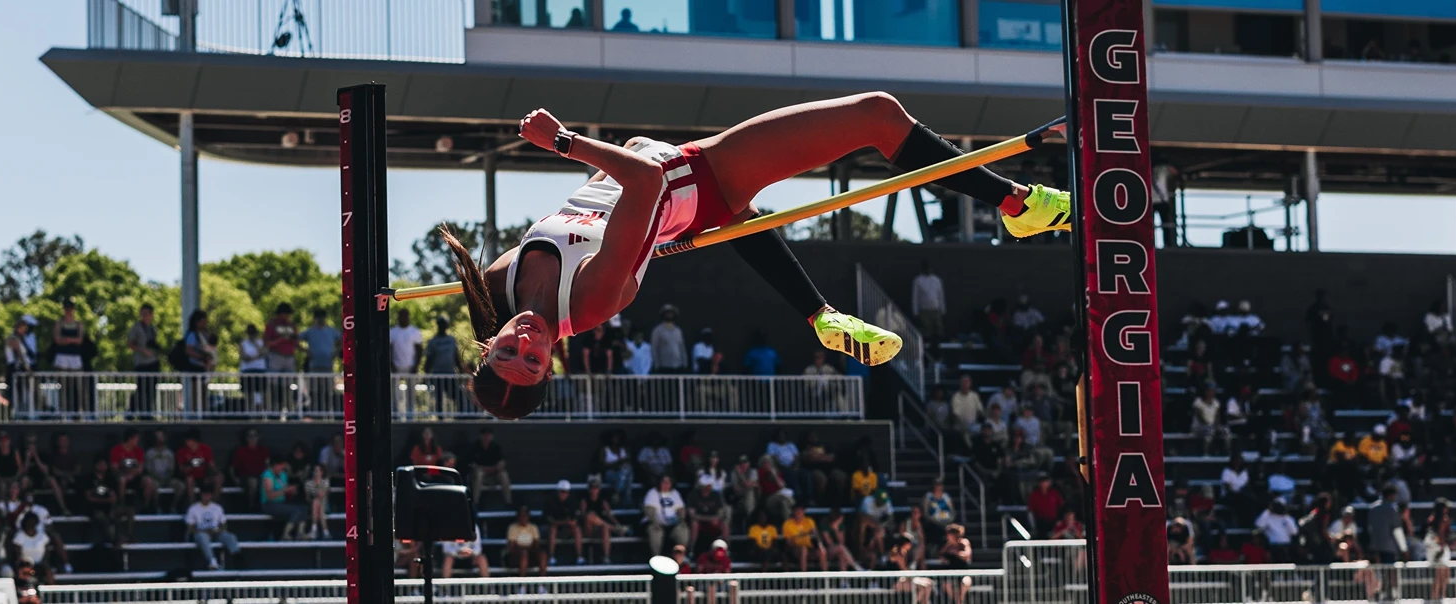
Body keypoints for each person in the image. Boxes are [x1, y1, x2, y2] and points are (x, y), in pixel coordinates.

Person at [442, 94, 1070, 419]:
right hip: (696, 179)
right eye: (533, 360)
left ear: (489, 343)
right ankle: (1014, 205)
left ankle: (820, 316)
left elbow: (609, 207)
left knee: (746, 220)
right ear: (552, 366)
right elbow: (645, 186)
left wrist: (654, 231)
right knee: (878, 117)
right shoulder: (592, 301)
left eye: (507, 352)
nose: (526, 341)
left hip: (679, 178)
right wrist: (566, 142)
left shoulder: (498, 286)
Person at [185, 489, 240, 569]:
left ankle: (237, 558)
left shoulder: (217, 508)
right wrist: (203, 531)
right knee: (202, 537)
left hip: (216, 532)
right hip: (200, 533)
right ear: (201, 495)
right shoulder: (193, 508)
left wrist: (218, 530)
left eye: (208, 494)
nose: (206, 497)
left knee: (230, 536)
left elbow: (223, 524)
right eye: (204, 494)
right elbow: (189, 527)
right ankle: (212, 561)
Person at [125, 303, 161, 417]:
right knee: (141, 389)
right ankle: (132, 411)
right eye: (143, 313)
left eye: (148, 313)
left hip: (153, 362)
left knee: (151, 389)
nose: (145, 315)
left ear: (151, 314)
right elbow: (130, 344)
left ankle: (148, 412)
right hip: (141, 363)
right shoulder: (136, 328)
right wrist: (142, 350)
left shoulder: (152, 329)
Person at [464, 428, 512, 506]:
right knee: (479, 474)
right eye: (484, 434)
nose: (486, 437)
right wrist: (484, 469)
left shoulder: (495, 447)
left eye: (488, 435)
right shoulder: (475, 447)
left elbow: (502, 462)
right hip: (479, 476)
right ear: (481, 436)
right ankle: (475, 503)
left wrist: (497, 468)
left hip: (494, 475)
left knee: (504, 475)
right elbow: (472, 464)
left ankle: (508, 501)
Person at [261, 459, 307, 540]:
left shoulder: (283, 475)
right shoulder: (267, 475)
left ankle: (300, 533)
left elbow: (285, 492)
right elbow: (269, 495)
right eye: (281, 467)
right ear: (275, 465)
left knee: (303, 508)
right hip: (269, 504)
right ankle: (285, 534)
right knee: (296, 511)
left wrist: (291, 491)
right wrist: (285, 490)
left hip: (282, 502)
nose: (282, 470)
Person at [643, 475, 690, 553]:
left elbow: (681, 510)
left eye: (668, 482)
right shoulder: (652, 493)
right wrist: (656, 522)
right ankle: (656, 556)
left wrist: (681, 520)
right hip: (656, 523)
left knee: (683, 530)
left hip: (672, 523)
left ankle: (681, 555)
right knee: (656, 532)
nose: (666, 484)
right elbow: (649, 511)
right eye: (663, 482)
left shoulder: (675, 493)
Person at [544, 480, 585, 564]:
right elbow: (549, 520)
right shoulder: (550, 502)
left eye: (565, 492)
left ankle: (579, 556)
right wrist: (564, 522)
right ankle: (551, 556)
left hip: (567, 530)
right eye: (561, 492)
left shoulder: (572, 502)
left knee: (576, 529)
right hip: (553, 530)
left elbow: (575, 520)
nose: (563, 494)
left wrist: (569, 522)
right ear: (558, 492)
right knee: (553, 529)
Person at [506, 506, 547, 577]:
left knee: (542, 555)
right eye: (522, 515)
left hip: (531, 553)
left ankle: (542, 584)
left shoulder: (533, 527)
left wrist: (526, 549)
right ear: (518, 517)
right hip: (517, 556)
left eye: (526, 515)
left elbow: (536, 544)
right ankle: (523, 585)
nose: (524, 518)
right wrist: (524, 550)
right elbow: (511, 546)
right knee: (524, 554)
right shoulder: (512, 528)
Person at [911, 261, 946, 341]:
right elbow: (915, 296)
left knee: (938, 330)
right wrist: (915, 311)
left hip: (935, 309)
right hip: (924, 310)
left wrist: (942, 309)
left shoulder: (937, 280)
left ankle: (937, 348)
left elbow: (940, 295)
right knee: (926, 331)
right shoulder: (918, 280)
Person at [650, 305, 688, 374]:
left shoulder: (678, 330)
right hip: (663, 367)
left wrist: (684, 363)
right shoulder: (658, 330)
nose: (669, 315)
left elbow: (682, 347)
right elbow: (654, 348)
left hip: (677, 366)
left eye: (671, 313)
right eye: (667, 313)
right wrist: (656, 365)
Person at [782, 506, 819, 571]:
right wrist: (797, 539)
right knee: (803, 549)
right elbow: (788, 542)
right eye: (797, 511)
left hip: (809, 548)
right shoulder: (788, 524)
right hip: (794, 550)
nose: (799, 513)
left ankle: (826, 578)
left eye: (801, 511)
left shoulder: (809, 521)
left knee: (822, 551)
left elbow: (817, 536)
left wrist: (815, 534)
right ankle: (804, 578)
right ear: (794, 512)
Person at [389, 310, 423, 374]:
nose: (403, 319)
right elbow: (390, 349)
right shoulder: (392, 332)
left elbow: (419, 350)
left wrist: (416, 365)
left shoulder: (415, 331)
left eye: (405, 317)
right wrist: (391, 365)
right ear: (398, 317)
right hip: (396, 366)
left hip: (411, 366)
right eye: (401, 317)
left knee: (412, 384)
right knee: (393, 384)